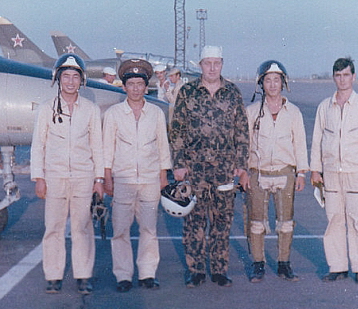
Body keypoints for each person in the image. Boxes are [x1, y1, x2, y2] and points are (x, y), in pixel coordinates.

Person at [169, 45, 249, 288]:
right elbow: (177, 129)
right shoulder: (188, 92)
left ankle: (219, 270)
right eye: (207, 63)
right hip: (194, 170)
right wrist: (179, 164)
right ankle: (195, 271)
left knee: (221, 222)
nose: (212, 68)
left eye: (216, 63)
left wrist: (242, 165)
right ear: (200, 65)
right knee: (194, 223)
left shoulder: (232, 93)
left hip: (224, 170)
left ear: (222, 64)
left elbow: (242, 131)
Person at [30, 53, 104, 295]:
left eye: (75, 77)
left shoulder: (91, 110)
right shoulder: (46, 109)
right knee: (53, 227)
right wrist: (39, 178)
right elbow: (38, 145)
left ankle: (83, 276)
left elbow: (97, 146)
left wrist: (99, 179)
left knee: (82, 227)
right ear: (57, 79)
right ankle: (53, 275)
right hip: (54, 177)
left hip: (83, 177)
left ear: (81, 80)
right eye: (66, 76)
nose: (70, 82)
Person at [103, 59, 172, 293]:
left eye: (139, 84)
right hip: (122, 180)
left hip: (150, 180)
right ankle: (123, 275)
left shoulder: (155, 113)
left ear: (146, 87)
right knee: (120, 230)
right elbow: (107, 148)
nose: (135, 88)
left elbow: (163, 146)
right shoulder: (114, 114)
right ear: (124, 87)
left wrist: (164, 176)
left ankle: (147, 274)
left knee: (149, 229)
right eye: (131, 84)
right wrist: (107, 177)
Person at [310, 57, 358, 285]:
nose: (342, 80)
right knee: (334, 220)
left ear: (353, 77)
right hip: (331, 174)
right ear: (333, 77)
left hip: (356, 173)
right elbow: (318, 140)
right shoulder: (324, 107)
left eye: (346, 75)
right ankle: (337, 267)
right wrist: (315, 170)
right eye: (338, 75)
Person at [245, 60, 309, 283]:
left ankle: (284, 263)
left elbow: (299, 143)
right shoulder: (252, 112)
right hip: (259, 173)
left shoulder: (293, 112)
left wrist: (301, 173)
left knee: (286, 222)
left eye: (276, 80)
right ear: (261, 84)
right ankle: (258, 263)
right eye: (268, 80)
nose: (272, 85)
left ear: (283, 83)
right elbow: (246, 144)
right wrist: (244, 172)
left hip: (285, 173)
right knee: (256, 222)